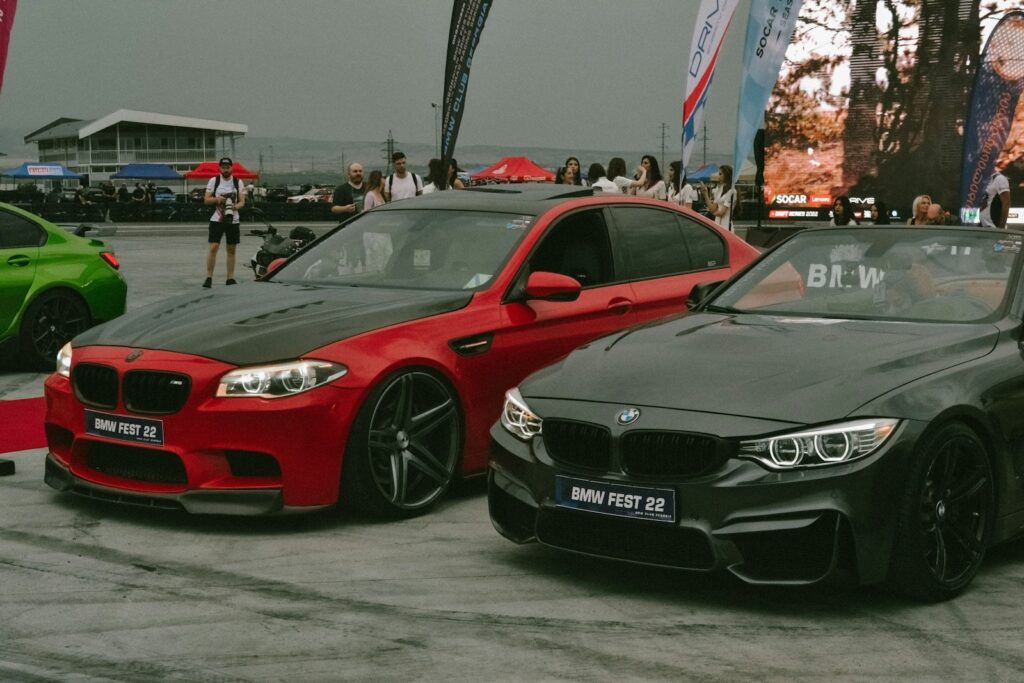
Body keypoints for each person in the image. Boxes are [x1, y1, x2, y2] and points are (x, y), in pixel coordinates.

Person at [202, 157, 247, 288]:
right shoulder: (214, 181)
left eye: (228, 167)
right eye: (223, 167)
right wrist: (218, 199)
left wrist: (234, 207)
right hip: (217, 218)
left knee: (231, 249)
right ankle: (209, 276)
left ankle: (230, 277)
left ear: (231, 168)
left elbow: (242, 201)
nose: (225, 169)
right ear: (220, 168)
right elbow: (206, 200)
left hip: (233, 219)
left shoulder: (238, 182)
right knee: (213, 247)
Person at [700, 164, 737, 231]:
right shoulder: (719, 189)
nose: (718, 176)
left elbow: (721, 213)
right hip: (717, 223)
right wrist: (705, 193)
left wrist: (705, 217)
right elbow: (712, 208)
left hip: (726, 225)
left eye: (720, 174)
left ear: (727, 175)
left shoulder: (732, 191)